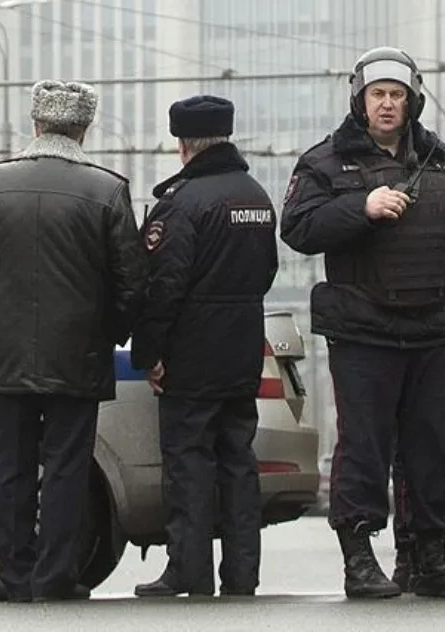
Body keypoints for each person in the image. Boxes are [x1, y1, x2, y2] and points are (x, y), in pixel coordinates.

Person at [0, 80, 147, 602]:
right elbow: (131, 282)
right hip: (80, 356)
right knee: (66, 466)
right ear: (83, 130)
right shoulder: (106, 190)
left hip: (10, 354)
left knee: (10, 463)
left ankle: (15, 576)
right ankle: (55, 576)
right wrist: (109, 333)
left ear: (35, 125)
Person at [279, 46, 445, 599]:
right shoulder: (326, 162)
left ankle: (429, 557)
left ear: (414, 102)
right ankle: (359, 559)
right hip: (364, 333)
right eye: (378, 95)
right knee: (363, 447)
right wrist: (360, 207)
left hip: (433, 330)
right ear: (360, 101)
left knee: (435, 449)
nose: (388, 105)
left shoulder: (443, 162)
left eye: (397, 95)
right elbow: (299, 228)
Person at [129, 95, 278, 598]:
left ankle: (188, 571)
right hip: (241, 350)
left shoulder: (183, 204)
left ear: (182, 145)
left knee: (189, 466)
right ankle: (242, 576)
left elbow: (163, 287)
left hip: (192, 357)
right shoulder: (256, 196)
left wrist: (148, 354)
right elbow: (268, 272)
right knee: (239, 463)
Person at [391, 361, 445, 588]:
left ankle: (415, 557)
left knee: (428, 453)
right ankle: (413, 556)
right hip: (442, 349)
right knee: (426, 452)